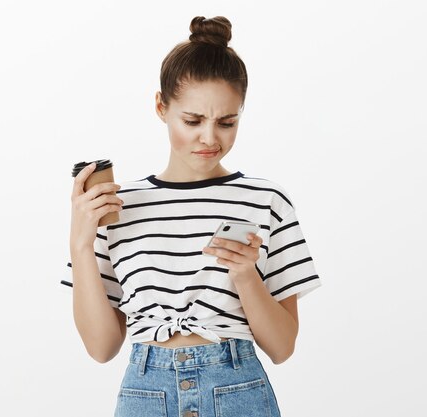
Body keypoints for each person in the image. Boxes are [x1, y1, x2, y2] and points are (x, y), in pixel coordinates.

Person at [61, 15, 322, 417]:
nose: (209, 138)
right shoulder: (116, 208)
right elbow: (101, 348)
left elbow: (283, 347)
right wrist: (80, 242)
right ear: (161, 107)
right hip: (146, 394)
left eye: (227, 122)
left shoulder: (266, 200)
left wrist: (244, 274)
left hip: (238, 388)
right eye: (193, 120)